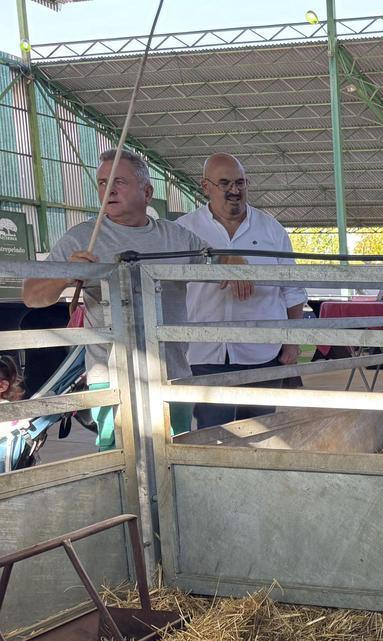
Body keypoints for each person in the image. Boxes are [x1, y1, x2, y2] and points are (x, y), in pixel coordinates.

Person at [21, 149, 251, 450]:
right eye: (102, 183)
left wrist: (234, 259)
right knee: (118, 455)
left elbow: (220, 259)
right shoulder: (81, 238)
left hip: (171, 373)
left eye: (119, 182)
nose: (109, 190)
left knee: (174, 455)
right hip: (110, 378)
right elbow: (32, 296)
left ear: (147, 192)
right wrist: (66, 275)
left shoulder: (176, 236)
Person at [176, 153, 307, 429]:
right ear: (205, 186)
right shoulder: (183, 230)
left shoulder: (272, 230)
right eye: (224, 183)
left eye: (240, 182)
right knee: (212, 434)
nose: (234, 190)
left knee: (260, 432)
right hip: (204, 354)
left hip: (262, 353)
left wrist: (292, 342)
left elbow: (292, 290)